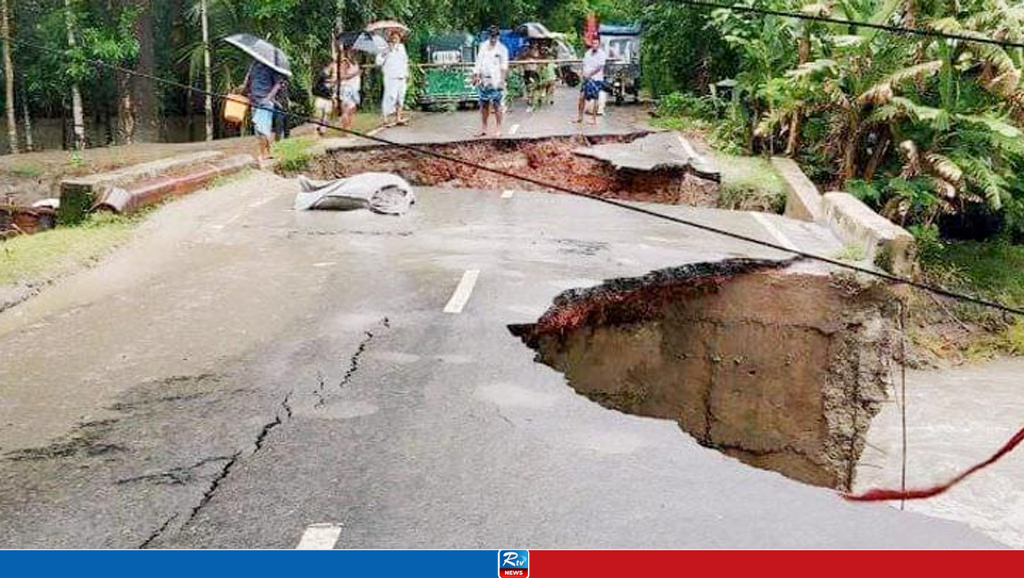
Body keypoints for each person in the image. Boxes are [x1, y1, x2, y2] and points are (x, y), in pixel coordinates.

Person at [242, 60, 285, 162]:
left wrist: (268, 98)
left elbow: (278, 85)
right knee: (259, 130)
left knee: (262, 129)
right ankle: (267, 153)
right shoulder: (253, 66)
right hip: (254, 102)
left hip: (265, 103)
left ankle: (263, 154)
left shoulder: (271, 67)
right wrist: (243, 90)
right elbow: (248, 84)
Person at [472, 25, 509, 137]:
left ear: (498, 36)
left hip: (496, 79)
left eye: (495, 35)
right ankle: (483, 128)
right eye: (491, 35)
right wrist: (475, 75)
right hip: (484, 79)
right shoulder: (483, 46)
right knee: (484, 104)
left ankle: (498, 128)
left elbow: (504, 67)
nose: (493, 37)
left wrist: (502, 81)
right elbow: (478, 62)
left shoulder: (502, 49)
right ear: (488, 35)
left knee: (497, 104)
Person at [376, 31, 409, 127]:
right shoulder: (384, 48)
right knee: (390, 97)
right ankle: (386, 119)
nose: (395, 39)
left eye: (397, 37)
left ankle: (398, 118)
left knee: (400, 97)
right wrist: (386, 53)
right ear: (390, 38)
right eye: (393, 37)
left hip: (401, 76)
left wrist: (406, 73)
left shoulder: (402, 47)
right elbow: (378, 62)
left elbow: (405, 61)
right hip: (390, 77)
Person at [575, 35, 608, 126]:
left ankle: (594, 119)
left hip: (596, 79)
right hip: (586, 78)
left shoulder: (602, 54)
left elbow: (600, 67)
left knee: (596, 98)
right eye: (593, 43)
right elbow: (584, 65)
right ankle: (580, 117)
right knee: (582, 97)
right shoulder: (587, 53)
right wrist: (583, 74)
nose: (594, 45)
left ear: (599, 44)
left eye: (596, 43)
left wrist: (590, 74)